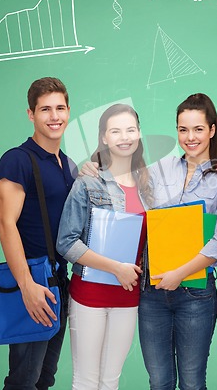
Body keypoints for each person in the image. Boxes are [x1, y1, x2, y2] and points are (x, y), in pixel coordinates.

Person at [139, 93, 217, 390]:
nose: (189, 137)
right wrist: (94, 167)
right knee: (159, 382)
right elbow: (127, 195)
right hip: (152, 292)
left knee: (192, 382)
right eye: (183, 129)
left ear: (212, 130)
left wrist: (179, 274)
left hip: (195, 294)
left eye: (197, 129)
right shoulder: (159, 169)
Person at [57, 104, 152, 390]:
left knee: (110, 381)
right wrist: (116, 268)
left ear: (139, 134)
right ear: (104, 138)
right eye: (116, 131)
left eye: (130, 129)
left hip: (129, 296)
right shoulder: (88, 181)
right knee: (86, 381)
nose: (124, 137)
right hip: (89, 295)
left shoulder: (150, 185)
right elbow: (66, 242)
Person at [0, 77, 77, 390]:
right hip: (32, 282)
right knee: (23, 380)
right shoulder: (17, 160)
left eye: (59, 108)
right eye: (45, 109)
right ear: (31, 114)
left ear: (68, 111)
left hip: (60, 282)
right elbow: (6, 224)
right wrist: (26, 285)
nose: (54, 116)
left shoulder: (68, 165)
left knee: (44, 379)